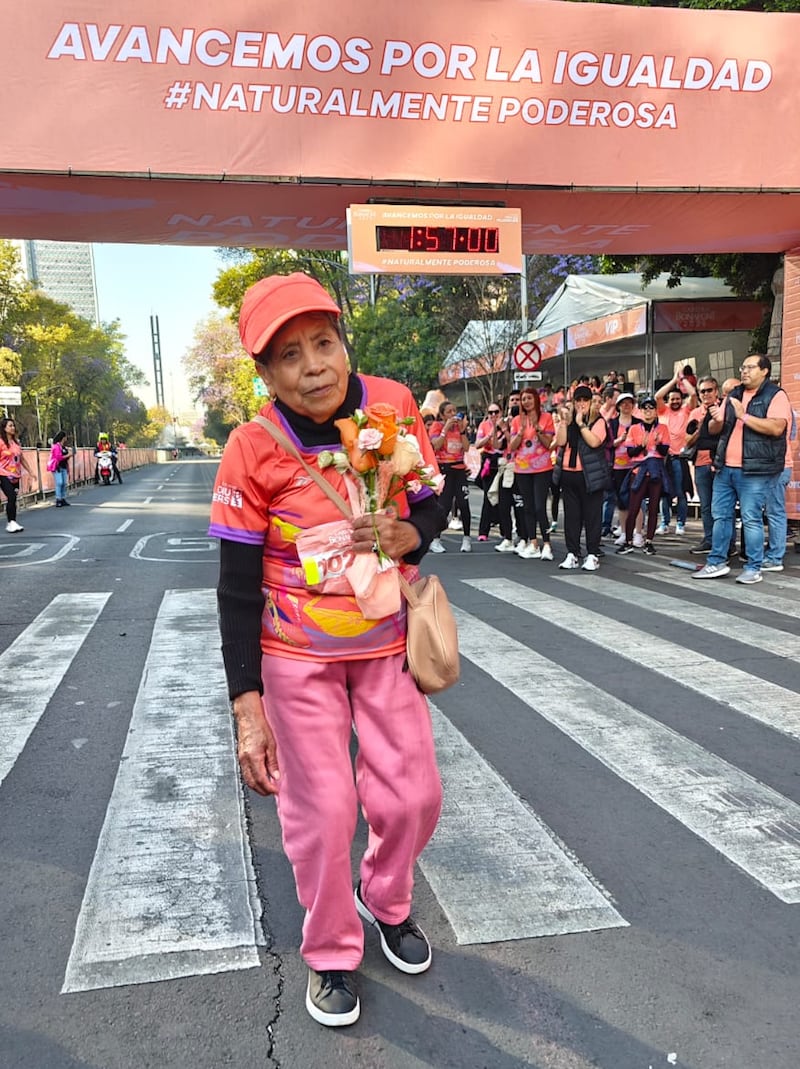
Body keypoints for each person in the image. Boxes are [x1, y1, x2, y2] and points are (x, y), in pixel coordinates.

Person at [208, 272, 443, 1028]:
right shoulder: (250, 449)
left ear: (344, 342)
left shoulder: (394, 407)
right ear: (265, 373)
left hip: (385, 643)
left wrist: (416, 532)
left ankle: (387, 898)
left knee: (413, 795)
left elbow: (436, 495)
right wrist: (249, 705)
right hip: (293, 654)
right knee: (326, 808)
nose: (313, 365)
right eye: (288, 355)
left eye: (323, 342)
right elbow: (236, 585)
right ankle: (333, 950)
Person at [693, 354, 791, 585]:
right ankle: (717, 561)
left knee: (751, 518)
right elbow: (715, 429)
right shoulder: (734, 394)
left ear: (764, 371)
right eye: (742, 367)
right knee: (720, 516)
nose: (744, 371)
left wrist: (743, 416)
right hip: (725, 467)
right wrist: (716, 418)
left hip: (755, 470)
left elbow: (777, 427)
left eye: (750, 367)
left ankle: (753, 567)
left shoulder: (775, 395)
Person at [553, 385, 609, 571]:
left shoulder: (598, 421)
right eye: (578, 400)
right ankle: (572, 553)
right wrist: (564, 422)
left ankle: (592, 554)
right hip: (569, 474)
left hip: (590, 476)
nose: (582, 404)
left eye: (585, 400)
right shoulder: (568, 421)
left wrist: (581, 424)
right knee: (572, 516)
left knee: (592, 516)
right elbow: (560, 442)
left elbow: (594, 442)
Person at [615, 397, 670, 556]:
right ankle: (628, 541)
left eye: (651, 408)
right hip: (638, 470)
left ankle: (649, 541)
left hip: (655, 470)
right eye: (645, 408)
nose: (648, 411)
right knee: (633, 506)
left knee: (653, 507)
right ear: (640, 410)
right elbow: (630, 452)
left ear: (655, 410)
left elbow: (665, 451)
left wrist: (658, 444)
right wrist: (642, 445)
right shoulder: (634, 428)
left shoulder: (662, 428)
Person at [508, 385, 555, 560]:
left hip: (542, 468)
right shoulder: (516, 421)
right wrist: (520, 434)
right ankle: (533, 542)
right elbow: (511, 447)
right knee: (527, 507)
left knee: (539, 506)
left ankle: (547, 543)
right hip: (522, 468)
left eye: (529, 398)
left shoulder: (547, 417)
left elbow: (549, 443)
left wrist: (538, 428)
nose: (526, 402)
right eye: (523, 399)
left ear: (536, 399)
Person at [654, 372, 696, 534]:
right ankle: (664, 524)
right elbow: (658, 396)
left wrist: (683, 380)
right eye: (672, 399)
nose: (675, 401)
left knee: (680, 492)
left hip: (680, 458)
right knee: (664, 493)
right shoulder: (663, 411)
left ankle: (680, 523)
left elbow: (692, 394)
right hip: (664, 459)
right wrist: (673, 380)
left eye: (678, 398)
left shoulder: (686, 410)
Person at [429, 400, 472, 553]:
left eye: (454, 411)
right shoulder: (437, 426)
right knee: (444, 506)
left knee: (464, 504)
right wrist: (445, 429)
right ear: (442, 415)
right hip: (444, 468)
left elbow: (466, 448)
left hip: (459, 468)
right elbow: (436, 445)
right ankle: (435, 539)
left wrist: (461, 431)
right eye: (449, 412)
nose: (453, 414)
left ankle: (467, 539)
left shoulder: (459, 428)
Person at [474, 401, 508, 541]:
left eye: (496, 412)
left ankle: (505, 531)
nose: (493, 415)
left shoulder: (505, 425)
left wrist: (501, 428)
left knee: (503, 499)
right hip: (489, 463)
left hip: (503, 462)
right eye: (490, 412)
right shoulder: (484, 425)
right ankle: (483, 531)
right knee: (488, 497)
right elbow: (477, 444)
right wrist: (490, 434)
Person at [0, 416, 35, 532]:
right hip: (3, 474)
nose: (13, 428)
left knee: (13, 499)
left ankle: (13, 522)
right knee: (11, 496)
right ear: (4, 428)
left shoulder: (16, 442)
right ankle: (11, 522)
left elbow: (22, 458)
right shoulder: (0, 442)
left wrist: (30, 471)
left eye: (13, 425)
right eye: (10, 426)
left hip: (15, 475)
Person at [48, 430, 72, 507]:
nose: (66, 438)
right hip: (57, 467)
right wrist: (69, 455)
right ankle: (58, 499)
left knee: (64, 483)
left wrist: (69, 455)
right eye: (65, 437)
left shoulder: (64, 447)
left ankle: (63, 498)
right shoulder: (56, 446)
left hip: (64, 467)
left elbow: (65, 457)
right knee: (59, 482)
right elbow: (59, 457)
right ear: (63, 437)